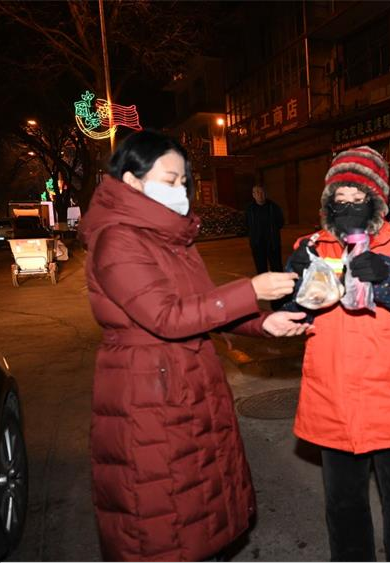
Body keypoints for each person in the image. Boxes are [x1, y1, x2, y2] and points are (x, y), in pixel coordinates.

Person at [78, 130, 309, 562]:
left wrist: (264, 323)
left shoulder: (169, 239)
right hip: (150, 397)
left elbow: (202, 307)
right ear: (132, 181)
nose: (180, 191)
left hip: (190, 386)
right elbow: (166, 317)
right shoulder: (117, 240)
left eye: (183, 182)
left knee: (203, 503)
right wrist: (251, 289)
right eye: (169, 180)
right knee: (166, 517)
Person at [284, 146, 390, 561]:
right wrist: (293, 281)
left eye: (359, 198)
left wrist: (389, 274)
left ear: (376, 201)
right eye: (339, 199)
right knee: (344, 509)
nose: (348, 207)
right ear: (328, 203)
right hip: (333, 399)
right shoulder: (312, 246)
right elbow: (290, 314)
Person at [246, 185, 284, 273]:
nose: (259, 194)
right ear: (253, 195)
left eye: (261, 192)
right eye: (257, 192)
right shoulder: (250, 209)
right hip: (257, 243)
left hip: (272, 243)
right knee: (261, 268)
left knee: (276, 267)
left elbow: (280, 222)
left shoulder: (274, 207)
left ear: (265, 193)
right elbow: (246, 224)